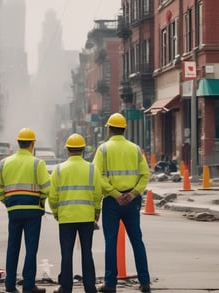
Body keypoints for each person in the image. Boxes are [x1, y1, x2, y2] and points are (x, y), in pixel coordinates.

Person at [92, 113, 151, 293]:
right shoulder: (135, 149)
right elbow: (145, 175)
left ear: (109, 129)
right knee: (137, 241)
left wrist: (114, 193)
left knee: (111, 242)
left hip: (112, 202)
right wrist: (133, 193)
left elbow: (97, 175)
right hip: (132, 202)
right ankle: (145, 282)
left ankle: (110, 283)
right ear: (124, 129)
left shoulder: (103, 150)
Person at [0, 128, 50, 293]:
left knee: (13, 247)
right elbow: (47, 187)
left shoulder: (5, 163)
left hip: (14, 211)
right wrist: (41, 199)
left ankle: (10, 284)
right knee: (31, 249)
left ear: (18, 143)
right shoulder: (37, 163)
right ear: (32, 144)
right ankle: (28, 285)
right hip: (33, 210)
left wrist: (8, 202)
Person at [49, 133, 102, 293]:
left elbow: (53, 196)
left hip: (66, 217)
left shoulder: (58, 170)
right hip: (86, 217)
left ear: (67, 151)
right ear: (83, 150)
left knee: (66, 254)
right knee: (87, 252)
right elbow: (98, 194)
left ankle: (66, 287)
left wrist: (56, 212)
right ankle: (90, 287)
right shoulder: (92, 169)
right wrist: (96, 211)